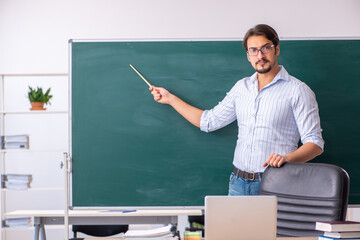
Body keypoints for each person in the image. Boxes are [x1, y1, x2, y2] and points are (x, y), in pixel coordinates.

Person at [149, 24, 324, 195]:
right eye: (253, 50)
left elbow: (315, 143)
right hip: (238, 183)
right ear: (248, 55)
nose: (260, 55)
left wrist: (287, 159)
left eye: (266, 48)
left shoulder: (297, 90)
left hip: (277, 182)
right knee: (237, 226)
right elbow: (209, 121)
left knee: (273, 226)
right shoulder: (242, 88)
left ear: (276, 49)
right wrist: (170, 99)